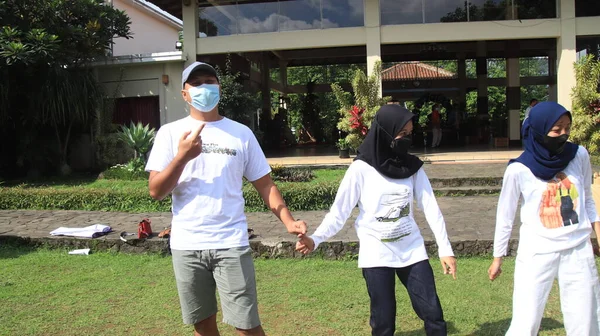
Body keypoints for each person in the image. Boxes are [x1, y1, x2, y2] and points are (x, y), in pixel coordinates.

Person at [145, 62, 308, 336]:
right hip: (187, 244)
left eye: (210, 81)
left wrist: (288, 220)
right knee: (203, 325)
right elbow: (156, 191)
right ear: (184, 94)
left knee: (247, 325)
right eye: (196, 84)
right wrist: (182, 156)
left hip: (231, 243)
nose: (204, 88)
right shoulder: (170, 133)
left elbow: (265, 184)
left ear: (219, 88)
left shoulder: (240, 133)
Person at [296, 104, 457, 336]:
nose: (406, 139)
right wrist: (315, 239)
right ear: (385, 133)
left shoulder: (412, 167)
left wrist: (445, 249)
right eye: (402, 134)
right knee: (383, 323)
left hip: (412, 251)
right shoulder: (361, 170)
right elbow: (339, 212)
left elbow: (431, 208)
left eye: (409, 134)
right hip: (376, 255)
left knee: (433, 313)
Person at [488, 101, 600, 335]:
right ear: (539, 130)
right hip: (537, 250)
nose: (563, 135)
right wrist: (498, 257)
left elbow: (588, 199)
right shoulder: (519, 169)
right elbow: (505, 215)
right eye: (556, 130)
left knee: (586, 319)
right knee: (526, 320)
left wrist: (597, 233)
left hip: (578, 248)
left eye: (567, 128)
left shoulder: (578, 155)